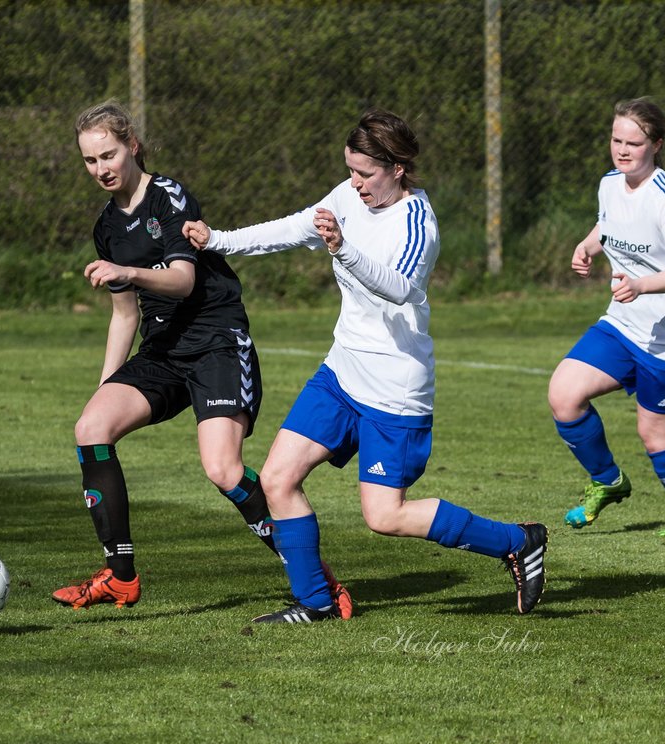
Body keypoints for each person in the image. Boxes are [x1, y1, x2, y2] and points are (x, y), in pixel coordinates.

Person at [183, 108, 547, 623]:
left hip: (394, 389)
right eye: (350, 170)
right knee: (277, 479)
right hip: (341, 374)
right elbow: (293, 227)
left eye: (365, 173)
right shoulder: (348, 195)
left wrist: (344, 249)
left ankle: (518, 541)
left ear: (397, 168)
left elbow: (404, 287)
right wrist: (219, 239)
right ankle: (315, 602)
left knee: (385, 516)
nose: (355, 184)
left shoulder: (417, 221)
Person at [51, 101, 352, 615]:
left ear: (132, 147)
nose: (101, 169)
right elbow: (126, 315)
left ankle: (315, 576)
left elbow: (183, 280)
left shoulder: (169, 197)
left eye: (109, 154)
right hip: (163, 349)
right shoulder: (106, 225)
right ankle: (120, 577)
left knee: (223, 469)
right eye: (89, 160)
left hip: (215, 340)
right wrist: (107, 385)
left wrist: (131, 273)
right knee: (90, 428)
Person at [548, 97, 665, 536]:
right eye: (616, 140)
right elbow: (608, 224)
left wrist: (640, 285)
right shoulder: (609, 183)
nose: (623, 150)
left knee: (655, 436)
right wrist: (587, 246)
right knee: (564, 396)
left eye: (634, 143)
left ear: (655, 145)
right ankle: (608, 481)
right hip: (624, 325)